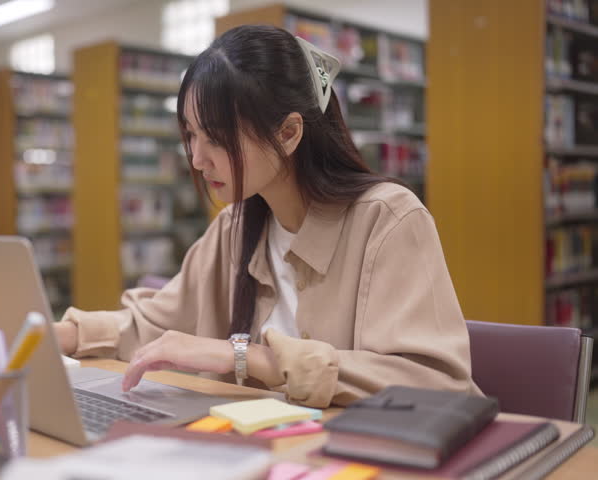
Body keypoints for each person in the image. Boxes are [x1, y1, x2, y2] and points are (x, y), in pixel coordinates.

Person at [54, 25, 480, 408]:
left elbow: (433, 382)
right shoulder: (233, 228)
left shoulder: (388, 219)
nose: (197, 159)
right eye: (190, 134)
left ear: (289, 133)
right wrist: (60, 335)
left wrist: (249, 357)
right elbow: (153, 325)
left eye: (216, 137)